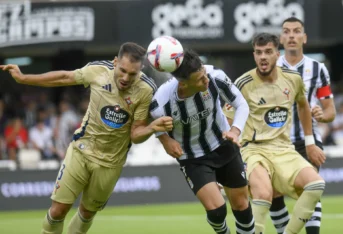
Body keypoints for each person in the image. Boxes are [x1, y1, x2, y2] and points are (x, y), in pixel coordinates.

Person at [0, 42, 173, 234]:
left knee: (86, 214)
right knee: (58, 211)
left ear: (140, 70)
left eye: (132, 74)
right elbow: (64, 77)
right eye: (122, 70)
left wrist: (151, 128)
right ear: (115, 62)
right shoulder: (97, 71)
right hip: (82, 150)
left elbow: (136, 134)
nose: (125, 78)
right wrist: (24, 78)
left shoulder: (146, 90)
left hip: (111, 163)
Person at [223, 33, 326, 234]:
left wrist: (310, 142)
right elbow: (227, 124)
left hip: (283, 149)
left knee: (316, 185)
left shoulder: (293, 79)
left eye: (268, 52)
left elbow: (303, 106)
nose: (263, 57)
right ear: (254, 55)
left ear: (277, 54)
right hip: (253, 149)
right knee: (263, 194)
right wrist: (224, 164)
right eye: (259, 52)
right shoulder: (242, 83)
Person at [150, 49, 255, 234]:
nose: (206, 80)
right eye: (200, 79)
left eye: (204, 74)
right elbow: (151, 123)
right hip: (192, 158)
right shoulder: (162, 102)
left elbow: (241, 104)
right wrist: (165, 140)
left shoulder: (215, 76)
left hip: (223, 145)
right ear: (183, 84)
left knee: (241, 206)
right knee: (217, 211)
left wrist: (235, 130)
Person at [268, 17, 336, 234]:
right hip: (276, 141)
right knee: (275, 194)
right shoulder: (269, 68)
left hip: (309, 140)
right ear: (281, 38)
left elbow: (330, 110)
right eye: (286, 31)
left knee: (311, 187)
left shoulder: (318, 69)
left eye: (296, 31)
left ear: (304, 38)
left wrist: (322, 116)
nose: (291, 36)